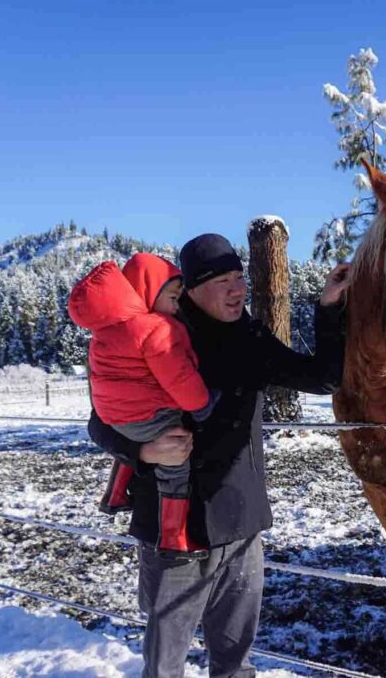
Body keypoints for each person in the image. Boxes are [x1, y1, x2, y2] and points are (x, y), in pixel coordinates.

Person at [87, 233, 350, 678]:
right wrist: (143, 449)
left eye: (240, 278)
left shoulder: (249, 338)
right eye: (222, 280)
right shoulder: (155, 330)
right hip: (173, 533)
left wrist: (328, 308)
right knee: (165, 663)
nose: (237, 289)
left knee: (234, 661)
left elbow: (322, 377)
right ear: (189, 289)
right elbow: (99, 422)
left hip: (240, 525)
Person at [68, 253, 218, 559]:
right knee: (175, 465)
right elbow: (179, 379)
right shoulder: (157, 329)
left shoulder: (106, 331)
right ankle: (173, 540)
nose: (177, 306)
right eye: (173, 298)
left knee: (137, 440)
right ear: (148, 290)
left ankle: (114, 495)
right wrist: (202, 404)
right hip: (151, 414)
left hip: (117, 417)